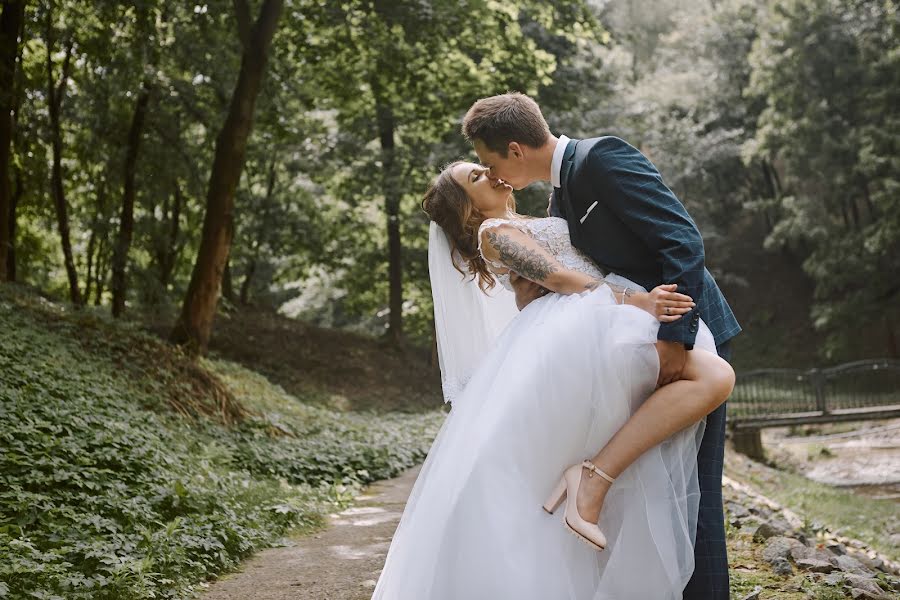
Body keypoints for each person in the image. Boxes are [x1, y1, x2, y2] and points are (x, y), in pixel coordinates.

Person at [370, 158, 734, 600]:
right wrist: (639, 303)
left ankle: (595, 476)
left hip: (589, 321)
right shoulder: (491, 233)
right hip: (582, 325)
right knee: (712, 377)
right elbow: (559, 277)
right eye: (476, 178)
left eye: (483, 167)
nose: (488, 172)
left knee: (701, 383)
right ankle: (593, 475)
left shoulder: (526, 219)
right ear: (467, 208)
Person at [463, 92, 742, 599]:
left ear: (515, 148)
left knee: (694, 494)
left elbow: (683, 240)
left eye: (490, 162)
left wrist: (675, 342)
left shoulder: (603, 157)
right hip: (633, 343)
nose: (495, 174)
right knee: (661, 491)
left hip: (681, 335)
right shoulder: (559, 197)